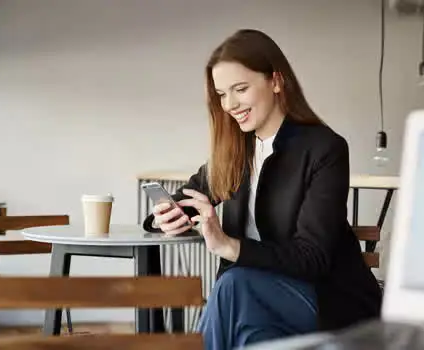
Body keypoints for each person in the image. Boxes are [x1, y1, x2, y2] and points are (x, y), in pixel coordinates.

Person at [143, 29, 382, 349]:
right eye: (222, 94)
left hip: (326, 302)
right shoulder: (234, 152)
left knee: (232, 285)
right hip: (252, 301)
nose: (230, 104)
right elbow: (187, 197)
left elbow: (313, 258)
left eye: (240, 89)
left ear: (276, 81)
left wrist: (229, 247)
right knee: (248, 335)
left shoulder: (325, 149)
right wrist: (164, 216)